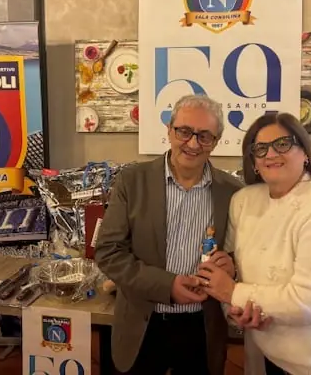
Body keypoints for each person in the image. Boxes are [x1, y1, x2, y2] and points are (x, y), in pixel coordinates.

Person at [197, 112, 311, 375]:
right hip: (265, 349)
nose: (270, 154)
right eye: (260, 148)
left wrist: (233, 293)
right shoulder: (244, 201)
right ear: (254, 162)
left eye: (282, 144)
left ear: (305, 153)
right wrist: (233, 293)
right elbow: (237, 266)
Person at [95, 94, 243, 375]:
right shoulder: (132, 181)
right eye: (184, 131)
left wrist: (233, 265)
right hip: (142, 325)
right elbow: (108, 252)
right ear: (169, 130)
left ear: (216, 141)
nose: (193, 144)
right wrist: (167, 286)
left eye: (204, 136)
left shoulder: (233, 191)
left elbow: (242, 253)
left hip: (202, 329)